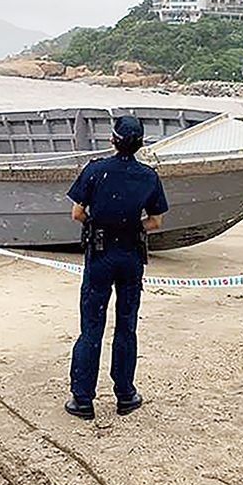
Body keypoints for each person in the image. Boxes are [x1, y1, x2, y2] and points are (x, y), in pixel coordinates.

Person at [64, 114, 168, 421]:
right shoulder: (149, 176)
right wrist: (132, 226)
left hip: (100, 253)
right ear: (140, 144)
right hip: (131, 256)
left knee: (91, 326)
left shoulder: (96, 170)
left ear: (113, 140)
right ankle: (125, 394)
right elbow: (156, 220)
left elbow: (76, 213)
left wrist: (100, 223)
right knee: (126, 325)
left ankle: (83, 399)